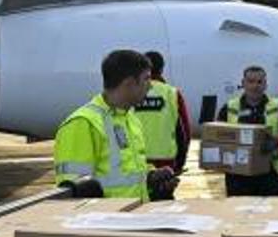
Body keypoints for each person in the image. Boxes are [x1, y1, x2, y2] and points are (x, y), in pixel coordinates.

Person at [54, 49, 177, 200]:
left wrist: (151, 178)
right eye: (146, 79)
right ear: (129, 84)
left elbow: (126, 173)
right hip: (106, 220)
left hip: (133, 217)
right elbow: (74, 192)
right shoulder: (83, 123)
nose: (151, 86)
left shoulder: (130, 118)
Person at [218, 65, 278, 196]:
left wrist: (277, 142)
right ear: (243, 83)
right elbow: (218, 139)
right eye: (250, 81)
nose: (255, 86)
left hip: (270, 173)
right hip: (238, 176)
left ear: (265, 85)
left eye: (259, 82)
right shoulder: (229, 108)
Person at [133, 51, 192, 200]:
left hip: (135, 160)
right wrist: (180, 163)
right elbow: (184, 132)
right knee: (162, 205)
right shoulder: (171, 93)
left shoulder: (131, 92)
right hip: (165, 163)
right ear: (162, 68)